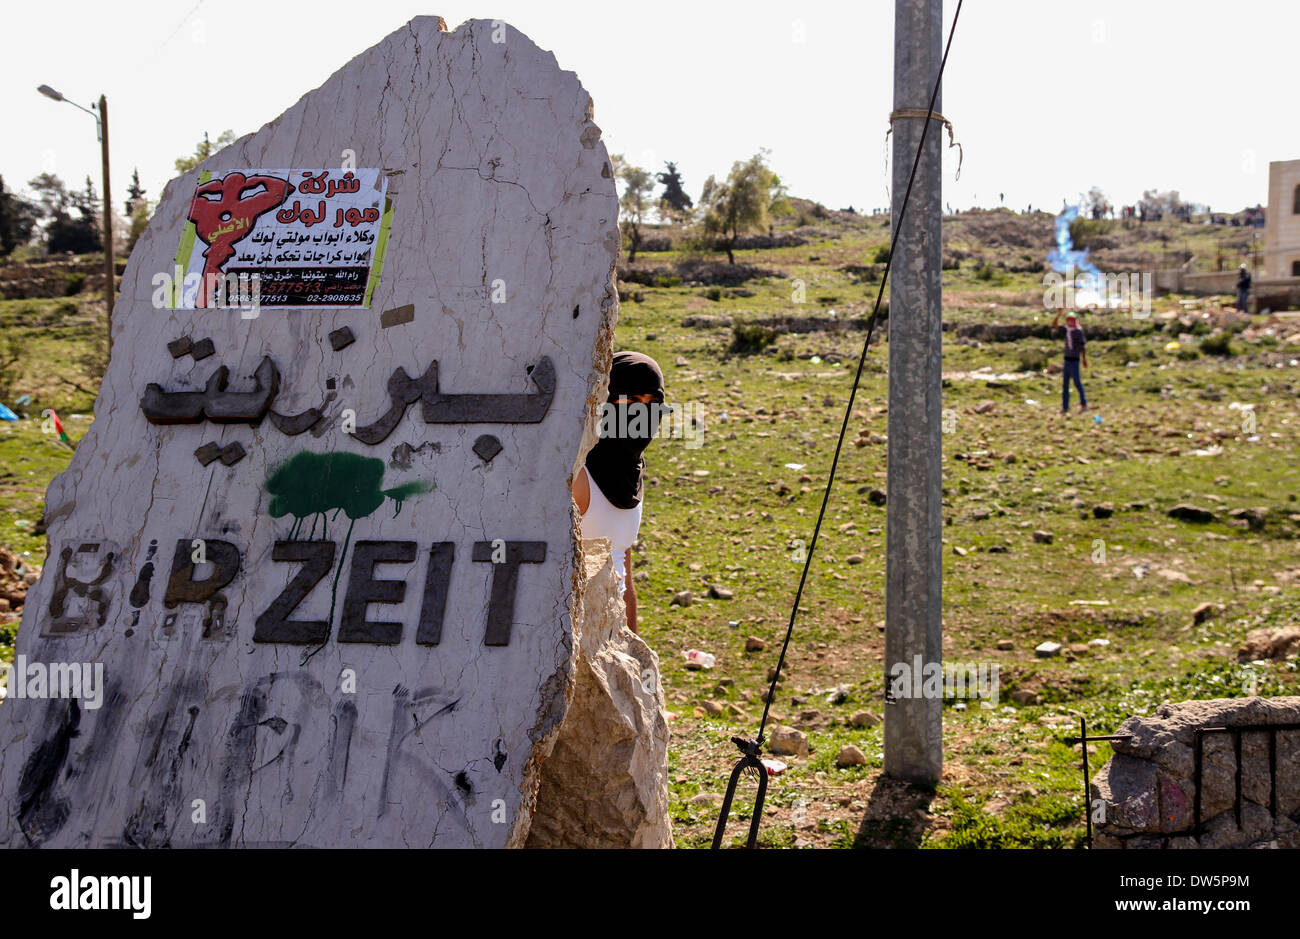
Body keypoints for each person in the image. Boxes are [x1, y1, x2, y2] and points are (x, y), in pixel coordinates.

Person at [571, 351, 666, 634]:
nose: (642, 414)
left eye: (653, 403)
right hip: (575, 639)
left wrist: (632, 647)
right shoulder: (578, 477)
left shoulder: (631, 479)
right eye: (632, 401)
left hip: (611, 638)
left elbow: (623, 573)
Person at [1051, 309, 1088, 414]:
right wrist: (1059, 314)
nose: (1070, 322)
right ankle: (1065, 406)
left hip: (1075, 360)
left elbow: (1083, 346)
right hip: (1067, 360)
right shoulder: (1066, 329)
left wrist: (1084, 359)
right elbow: (1054, 324)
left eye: (1072, 320)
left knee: (1077, 383)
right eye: (1068, 320)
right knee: (1065, 384)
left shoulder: (1078, 331)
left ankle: (1083, 404)